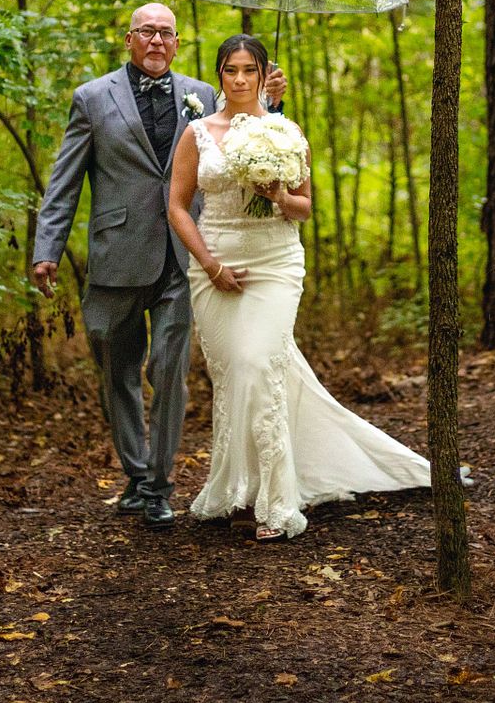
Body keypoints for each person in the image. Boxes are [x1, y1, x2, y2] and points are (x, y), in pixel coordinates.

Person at [167, 34, 434, 542]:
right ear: (219, 75)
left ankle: (274, 501)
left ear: (264, 74)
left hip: (275, 260)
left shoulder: (285, 132)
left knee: (257, 364)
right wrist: (209, 263)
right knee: (233, 380)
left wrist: (278, 195)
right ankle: (239, 491)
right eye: (230, 71)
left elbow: (306, 207)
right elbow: (178, 206)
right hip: (215, 263)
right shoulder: (197, 133)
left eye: (249, 70)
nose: (240, 80)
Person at [31, 4, 286, 529]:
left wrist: (274, 103)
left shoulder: (201, 94)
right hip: (116, 253)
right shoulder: (92, 98)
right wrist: (46, 249)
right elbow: (65, 181)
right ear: (129, 39)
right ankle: (135, 472)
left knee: (169, 370)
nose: (156, 41)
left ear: (176, 43)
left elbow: (247, 131)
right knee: (115, 368)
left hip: (183, 252)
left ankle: (159, 484)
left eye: (165, 34)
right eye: (147, 32)